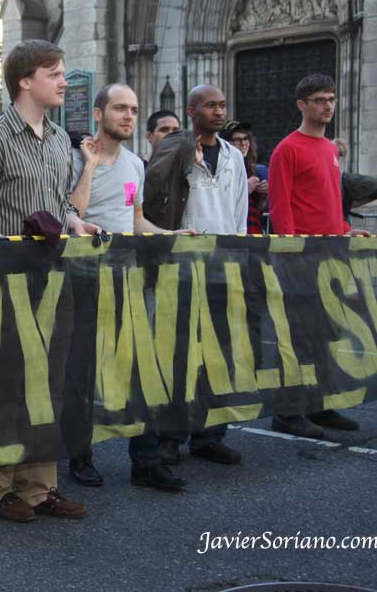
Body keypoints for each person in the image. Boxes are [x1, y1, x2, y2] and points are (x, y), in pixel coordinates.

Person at [0, 38, 95, 524]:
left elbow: (61, 202)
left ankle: (39, 487)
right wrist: (1, 241)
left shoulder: (59, 139)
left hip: (52, 276)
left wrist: (74, 220)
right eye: (54, 73)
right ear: (25, 81)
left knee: (49, 382)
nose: (63, 81)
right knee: (7, 383)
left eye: (62, 71)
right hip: (5, 280)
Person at [66, 84, 191, 492]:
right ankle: (80, 456)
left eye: (135, 110)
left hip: (128, 280)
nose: (129, 116)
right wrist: (89, 166)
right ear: (99, 113)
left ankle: (146, 461)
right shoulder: (73, 159)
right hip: (83, 279)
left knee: (141, 369)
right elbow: (73, 214)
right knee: (85, 371)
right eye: (121, 108)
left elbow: (134, 220)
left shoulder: (136, 166)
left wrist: (170, 234)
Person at [144, 84, 247, 469]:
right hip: (181, 266)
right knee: (178, 355)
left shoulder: (234, 156)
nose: (219, 111)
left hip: (221, 265)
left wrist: (237, 255)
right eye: (210, 105)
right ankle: (170, 437)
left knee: (217, 355)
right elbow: (153, 192)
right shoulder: (178, 148)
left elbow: (239, 209)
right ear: (191, 111)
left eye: (222, 105)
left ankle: (209, 435)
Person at [268, 73, 367, 438]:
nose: (327, 106)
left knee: (327, 335)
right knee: (297, 340)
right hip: (300, 260)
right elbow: (281, 209)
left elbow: (328, 202)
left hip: (331, 257)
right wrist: (292, 254)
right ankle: (287, 413)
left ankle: (320, 406)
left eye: (331, 99)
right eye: (319, 100)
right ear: (302, 105)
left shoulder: (330, 150)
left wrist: (346, 230)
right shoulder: (287, 149)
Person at [221, 120, 268, 234]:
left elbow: (259, 209)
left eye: (246, 138)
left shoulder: (252, 168)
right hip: (229, 231)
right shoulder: (221, 167)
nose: (243, 143)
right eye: (237, 140)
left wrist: (262, 193)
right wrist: (244, 189)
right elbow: (218, 203)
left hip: (252, 227)